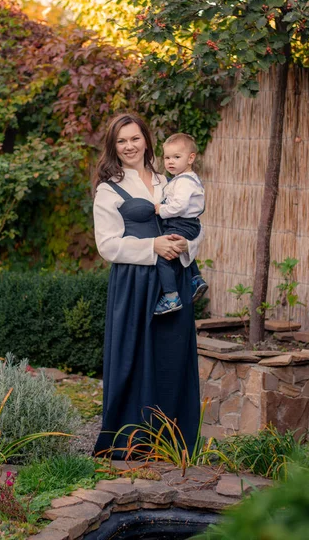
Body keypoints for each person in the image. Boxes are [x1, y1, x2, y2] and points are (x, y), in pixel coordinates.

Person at [92, 113, 201, 458]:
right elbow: (108, 245)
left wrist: (186, 247)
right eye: (121, 141)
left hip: (175, 278)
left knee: (172, 357)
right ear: (113, 146)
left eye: (135, 138)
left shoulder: (167, 179)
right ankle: (133, 442)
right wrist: (151, 247)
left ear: (146, 140)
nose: (129, 146)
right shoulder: (108, 189)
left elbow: (191, 221)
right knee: (134, 359)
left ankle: (173, 443)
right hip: (135, 283)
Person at [154, 133, 208, 316]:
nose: (170, 162)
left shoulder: (184, 181)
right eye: (167, 157)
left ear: (191, 158)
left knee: (163, 257)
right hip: (189, 224)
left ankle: (170, 297)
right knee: (180, 250)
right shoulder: (185, 178)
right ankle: (196, 279)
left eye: (177, 157)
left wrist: (160, 209)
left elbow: (179, 206)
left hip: (182, 223)